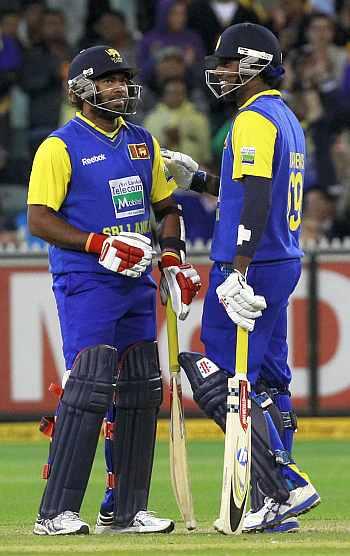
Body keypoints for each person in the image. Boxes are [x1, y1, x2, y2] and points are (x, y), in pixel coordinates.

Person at [27, 44, 200, 536]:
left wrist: (171, 256)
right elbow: (38, 217)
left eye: (123, 79)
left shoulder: (143, 141)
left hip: (137, 280)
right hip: (86, 280)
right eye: (108, 80)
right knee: (89, 388)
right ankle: (54, 513)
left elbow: (168, 208)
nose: (119, 88)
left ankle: (123, 510)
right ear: (83, 89)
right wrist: (94, 243)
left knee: (142, 389)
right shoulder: (60, 146)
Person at [162, 22, 321, 533]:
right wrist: (202, 180)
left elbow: (254, 198)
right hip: (282, 259)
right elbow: (249, 188)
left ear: (252, 64)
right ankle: (276, 504)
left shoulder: (253, 119)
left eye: (229, 62)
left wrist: (238, 270)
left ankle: (284, 484)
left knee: (226, 376)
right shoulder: (285, 116)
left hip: (251, 262)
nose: (220, 71)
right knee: (271, 380)